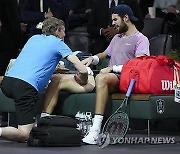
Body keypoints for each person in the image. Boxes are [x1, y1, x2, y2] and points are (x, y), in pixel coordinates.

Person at [0, 17, 89, 142]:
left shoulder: (33, 38)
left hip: (7, 82)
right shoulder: (58, 43)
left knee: (25, 123)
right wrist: (83, 79)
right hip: (24, 87)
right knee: (25, 134)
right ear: (58, 31)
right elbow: (83, 70)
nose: (65, 35)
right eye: (64, 31)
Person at [81, 4, 150, 144]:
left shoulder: (141, 39)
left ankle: (95, 130)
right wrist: (92, 59)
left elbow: (139, 66)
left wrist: (113, 68)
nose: (112, 24)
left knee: (102, 77)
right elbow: (105, 54)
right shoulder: (117, 37)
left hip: (126, 79)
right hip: (110, 77)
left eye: (115, 20)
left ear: (126, 18)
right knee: (75, 77)